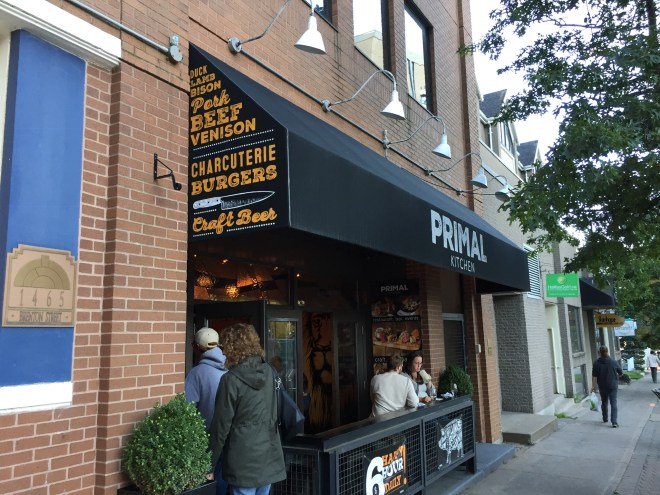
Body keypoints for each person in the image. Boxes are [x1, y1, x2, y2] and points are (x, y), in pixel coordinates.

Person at [208, 323, 286, 495]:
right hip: (269, 453)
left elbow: (220, 427)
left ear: (233, 348)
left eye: (224, 346)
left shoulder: (230, 380)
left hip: (242, 459)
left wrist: (209, 464)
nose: (223, 352)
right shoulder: (269, 371)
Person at [185, 327, 228, 495]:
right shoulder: (230, 368)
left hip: (207, 441)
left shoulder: (196, 374)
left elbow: (188, 409)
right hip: (230, 437)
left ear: (197, 347)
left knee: (208, 484)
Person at [591, 345, 623, 428]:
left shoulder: (596, 363)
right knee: (613, 402)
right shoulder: (613, 362)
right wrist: (616, 377)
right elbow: (620, 373)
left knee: (604, 401)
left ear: (599, 353)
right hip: (613, 385)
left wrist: (593, 387)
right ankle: (614, 422)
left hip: (602, 385)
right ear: (607, 351)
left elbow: (594, 377)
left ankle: (605, 418)